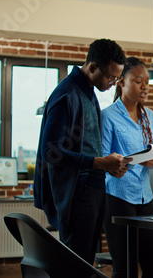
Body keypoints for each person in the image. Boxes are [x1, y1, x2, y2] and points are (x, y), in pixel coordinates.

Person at [33, 39, 132, 265]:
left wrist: (110, 166)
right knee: (74, 267)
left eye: (117, 78)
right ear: (92, 67)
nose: (113, 83)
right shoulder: (67, 94)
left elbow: (88, 146)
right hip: (77, 194)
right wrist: (99, 163)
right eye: (110, 77)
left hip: (94, 190)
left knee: (85, 265)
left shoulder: (89, 92)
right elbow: (51, 152)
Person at [101, 57, 153, 278]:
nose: (145, 86)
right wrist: (115, 164)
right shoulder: (108, 116)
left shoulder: (150, 115)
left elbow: (152, 159)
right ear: (121, 82)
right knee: (124, 267)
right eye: (138, 81)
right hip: (118, 197)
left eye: (147, 81)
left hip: (145, 197)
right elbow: (102, 159)